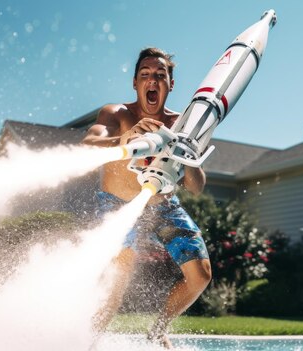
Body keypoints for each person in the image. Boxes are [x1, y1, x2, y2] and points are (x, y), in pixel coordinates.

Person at [82, 47, 212, 349]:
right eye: (145, 75)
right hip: (116, 204)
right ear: (135, 83)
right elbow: (90, 142)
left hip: (163, 204)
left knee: (200, 275)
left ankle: (157, 331)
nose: (152, 80)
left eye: (159, 75)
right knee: (118, 277)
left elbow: (196, 186)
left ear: (170, 84)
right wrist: (126, 139)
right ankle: (85, 342)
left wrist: (187, 153)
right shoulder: (117, 114)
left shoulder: (182, 124)